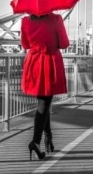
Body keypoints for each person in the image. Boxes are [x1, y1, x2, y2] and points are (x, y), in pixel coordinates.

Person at [20, 12, 69, 161]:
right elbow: (64, 44)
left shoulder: (25, 21)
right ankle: (35, 142)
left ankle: (48, 138)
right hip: (49, 62)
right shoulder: (56, 19)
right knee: (44, 103)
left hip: (33, 63)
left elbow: (25, 45)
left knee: (44, 103)